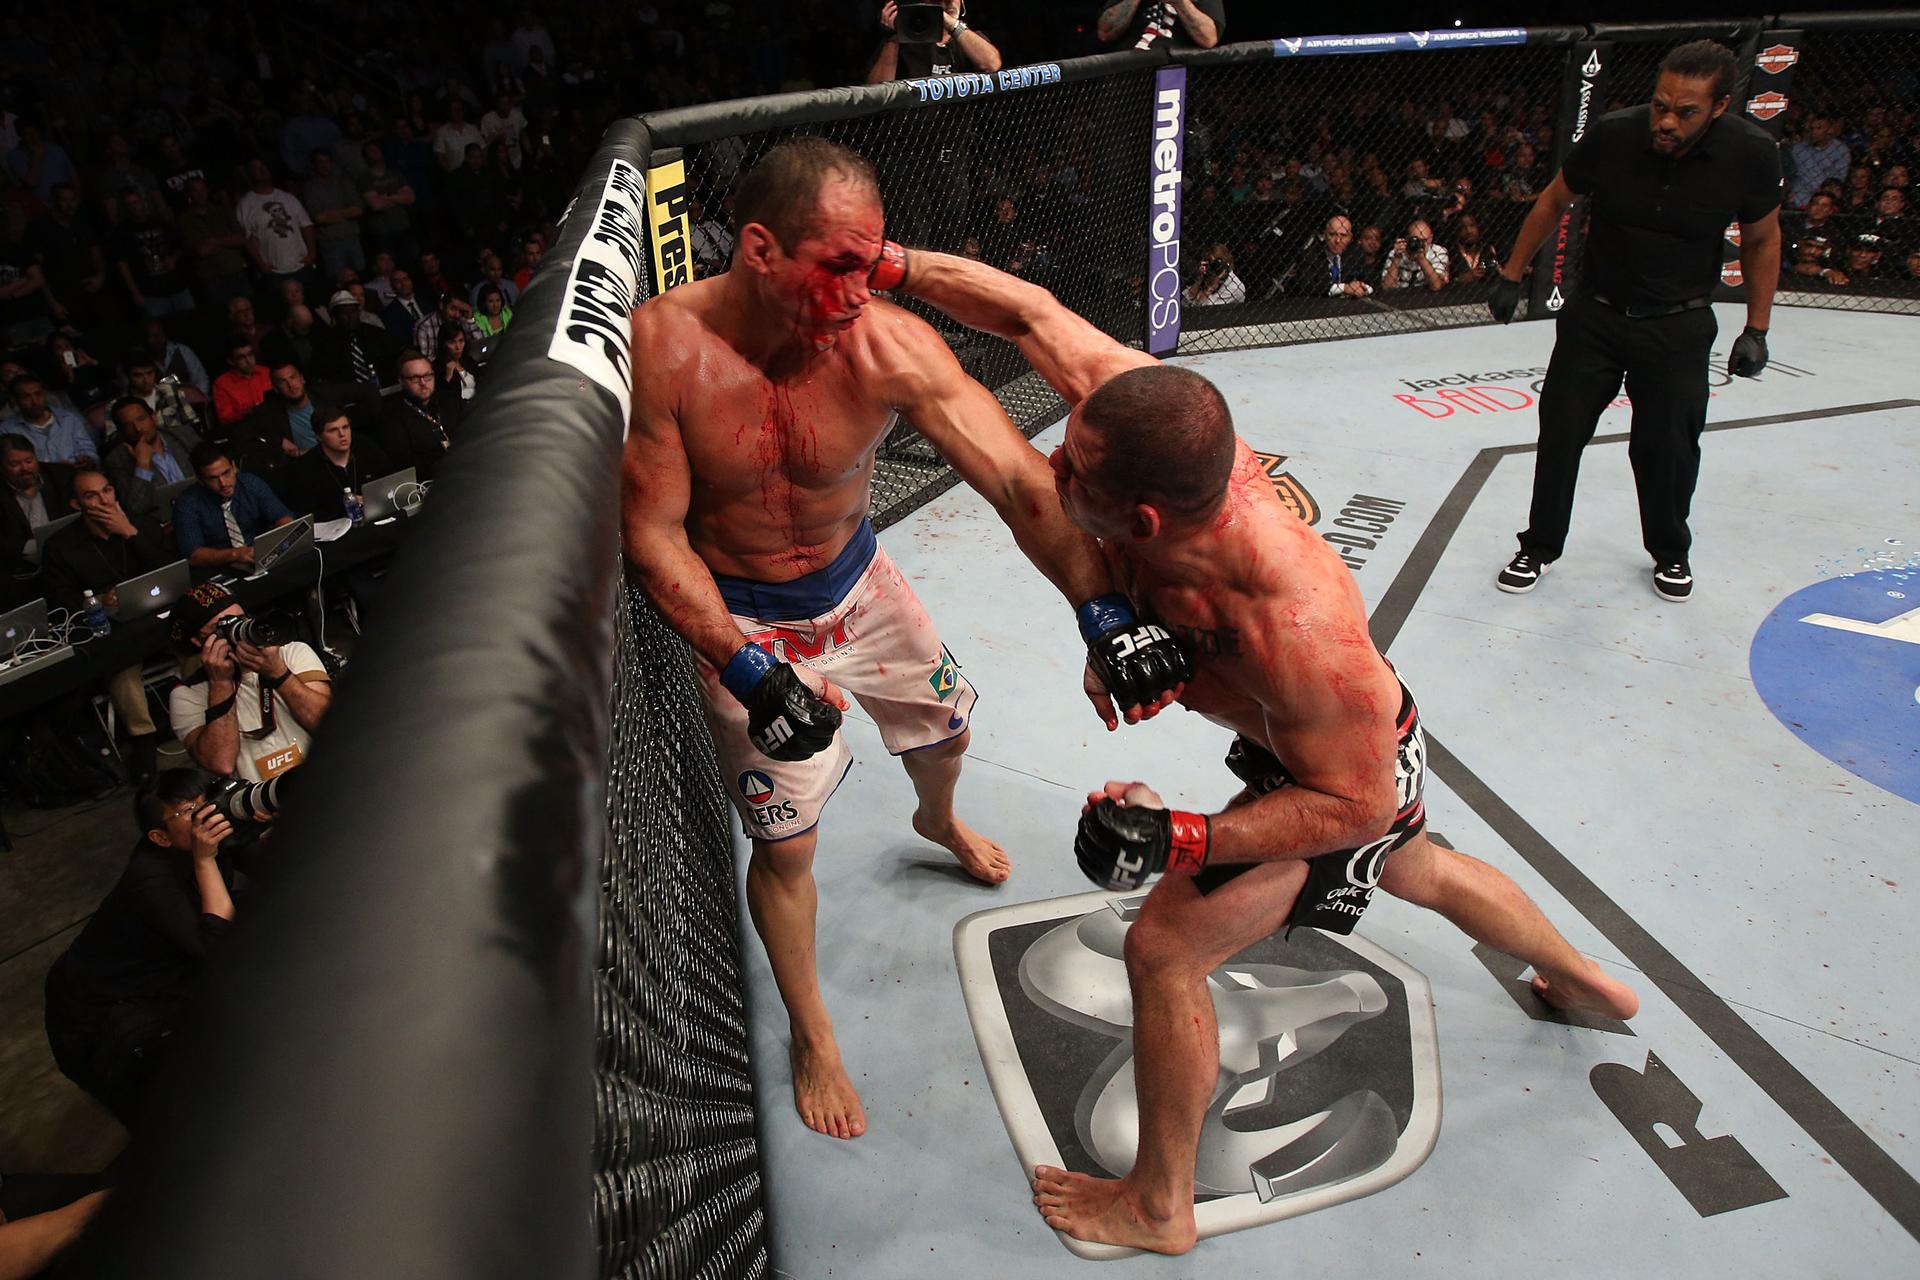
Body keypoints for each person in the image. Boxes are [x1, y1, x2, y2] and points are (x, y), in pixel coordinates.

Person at [890, 244, 1640, 1255]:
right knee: (1418, 864)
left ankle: (1160, 1202)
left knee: (1163, 948)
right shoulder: (1148, 423)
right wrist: (890, 266)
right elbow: (1029, 313)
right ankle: (1590, 981)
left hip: (1338, 775)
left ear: (1143, 517)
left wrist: (1181, 836)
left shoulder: (1293, 623)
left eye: (1075, 469)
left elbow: (1353, 807)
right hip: (1360, 741)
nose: (1055, 467)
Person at [621, 138, 1186, 1142]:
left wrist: (1103, 613)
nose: (859, 290)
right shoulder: (665, 350)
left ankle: (939, 818)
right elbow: (654, 532)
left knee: (948, 733)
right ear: (758, 248)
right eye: (835, 265)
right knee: (787, 846)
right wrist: (747, 666)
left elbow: (1019, 483)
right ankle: (813, 1031)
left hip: (861, 583)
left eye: (872, 264)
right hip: (742, 614)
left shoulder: (891, 346)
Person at [1486, 40, 1781, 603]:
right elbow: (1553, 200)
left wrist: (1757, 328)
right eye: (1660, 105)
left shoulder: (1751, 152)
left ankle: (1670, 552)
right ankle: (1540, 544)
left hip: (1678, 325)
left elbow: (1764, 239)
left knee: (1668, 448)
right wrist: (1512, 272)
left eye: (1685, 111)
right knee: (1561, 434)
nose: (1667, 121)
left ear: (1719, 107)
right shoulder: (1615, 134)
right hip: (1594, 316)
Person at [43, 769, 240, 1127]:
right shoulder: (150, 879)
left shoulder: (209, 837)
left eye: (206, 802)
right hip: (99, 1015)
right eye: (187, 813)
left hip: (159, 986)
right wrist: (205, 860)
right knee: (172, 1124)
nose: (205, 816)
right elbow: (217, 948)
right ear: (159, 837)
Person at [40, 465, 176, 780]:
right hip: (112, 630)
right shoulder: (61, 546)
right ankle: (144, 743)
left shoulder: (141, 525)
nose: (103, 500)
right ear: (77, 504)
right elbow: (60, 604)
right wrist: (98, 603)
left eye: (107, 491)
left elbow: (172, 571)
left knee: (198, 638)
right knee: (121, 670)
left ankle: (199, 715)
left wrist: (130, 533)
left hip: (156, 616)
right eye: (92, 496)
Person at [166, 582, 331, 781]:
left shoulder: (291, 652)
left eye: (240, 619)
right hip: (258, 804)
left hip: (325, 780)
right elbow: (221, 763)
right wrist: (220, 684)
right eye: (224, 626)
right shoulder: (187, 694)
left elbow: (330, 724)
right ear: (198, 641)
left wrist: (278, 673)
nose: (238, 630)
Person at [171, 441, 295, 570]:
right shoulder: (188, 504)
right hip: (218, 566)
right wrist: (235, 554)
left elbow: (283, 517)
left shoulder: (249, 484)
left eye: (226, 473)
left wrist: (274, 545)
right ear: (200, 480)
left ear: (234, 467)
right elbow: (194, 555)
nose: (223, 483)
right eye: (213, 478)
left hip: (258, 556)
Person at [280, 402, 392, 521]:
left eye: (345, 427)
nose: (342, 434)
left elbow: (391, 481)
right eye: (333, 430)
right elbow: (307, 513)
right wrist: (344, 505)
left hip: (379, 516)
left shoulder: (366, 448)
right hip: (337, 529)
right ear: (318, 436)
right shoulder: (305, 467)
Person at [102, 395, 197, 522]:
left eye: (141, 419)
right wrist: (142, 464)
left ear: (154, 417)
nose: (138, 428)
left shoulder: (183, 436)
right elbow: (136, 508)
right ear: (120, 431)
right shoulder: (117, 460)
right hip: (164, 524)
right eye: (128, 425)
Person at [866, 0, 1002, 83]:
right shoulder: (904, 42)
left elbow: (991, 64)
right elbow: (878, 91)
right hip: (915, 128)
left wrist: (951, 23)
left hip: (959, 127)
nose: (948, 3)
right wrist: (894, 37)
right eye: (938, 0)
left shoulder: (970, 40)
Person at [234, 159, 317, 290]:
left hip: (301, 264)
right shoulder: (246, 204)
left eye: (263, 165)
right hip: (275, 270)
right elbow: (247, 238)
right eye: (256, 168)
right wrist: (261, 264)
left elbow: (306, 225)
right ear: (250, 174)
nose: (262, 170)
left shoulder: (288, 198)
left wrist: (312, 252)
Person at [1, 432, 75, 575]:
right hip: (20, 567)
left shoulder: (61, 476)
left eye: (29, 461)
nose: (24, 469)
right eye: (14, 464)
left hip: (67, 555)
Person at [380, 352, 461, 482]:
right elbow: (406, 465)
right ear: (401, 381)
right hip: (433, 483)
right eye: (415, 378)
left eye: (428, 376)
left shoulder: (450, 400)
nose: (423, 383)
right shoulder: (392, 418)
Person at [0, 372, 96, 463]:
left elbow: (88, 449)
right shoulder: (7, 430)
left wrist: (88, 461)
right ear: (15, 400)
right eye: (26, 397)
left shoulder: (68, 419)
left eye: (38, 394)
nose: (34, 401)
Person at [1094, 0, 1223, 49]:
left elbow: (1209, 39)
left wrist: (1180, 3)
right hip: (1127, 75)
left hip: (1176, 75)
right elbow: (1105, 33)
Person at [211, 336, 273, 429]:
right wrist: (246, 412)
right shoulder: (221, 384)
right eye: (241, 358)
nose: (249, 361)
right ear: (231, 361)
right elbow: (225, 418)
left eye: (250, 354)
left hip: (273, 421)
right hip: (246, 428)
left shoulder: (266, 372)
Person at [1382, 217, 1450, 292]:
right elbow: (1387, 287)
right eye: (1416, 240)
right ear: (1408, 238)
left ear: (1430, 238)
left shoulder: (1438, 251)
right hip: (1399, 295)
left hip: (1427, 295)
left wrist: (1421, 259)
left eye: (1424, 240)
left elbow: (1436, 286)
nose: (1420, 244)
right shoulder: (1397, 252)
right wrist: (1396, 258)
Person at [1182, 242, 1245, 306]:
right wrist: (1199, 280)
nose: (1211, 267)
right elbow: (1184, 303)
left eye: (1215, 264)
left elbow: (1204, 310)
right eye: (1208, 262)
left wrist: (1210, 287)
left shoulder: (1234, 286)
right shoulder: (1207, 275)